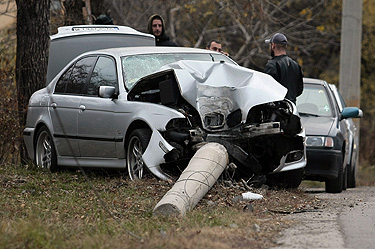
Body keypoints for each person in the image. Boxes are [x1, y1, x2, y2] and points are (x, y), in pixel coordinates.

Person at [263, 33, 303, 104]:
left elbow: (266, 89)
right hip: (292, 110)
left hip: (276, 110)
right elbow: (299, 90)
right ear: (286, 46)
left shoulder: (272, 65)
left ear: (273, 46)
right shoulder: (296, 65)